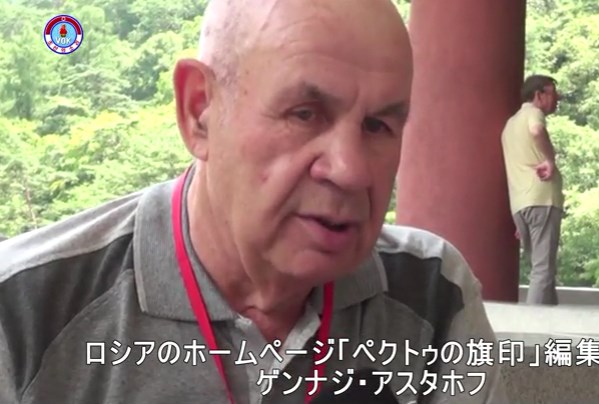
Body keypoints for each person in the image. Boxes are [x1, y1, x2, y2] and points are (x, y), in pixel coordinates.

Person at [0, 1, 508, 403]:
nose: (351, 170)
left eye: (378, 126)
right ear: (200, 111)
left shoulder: (431, 292)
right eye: (305, 114)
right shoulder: (25, 310)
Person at [501, 75, 564, 305]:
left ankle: (551, 320)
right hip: (541, 199)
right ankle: (532, 322)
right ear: (538, 95)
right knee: (543, 270)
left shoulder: (509, 125)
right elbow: (537, 131)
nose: (557, 99)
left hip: (520, 204)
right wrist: (550, 160)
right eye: (553, 93)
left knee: (542, 269)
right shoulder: (534, 114)